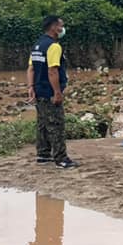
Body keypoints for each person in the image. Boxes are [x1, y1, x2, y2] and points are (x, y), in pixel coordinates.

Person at [27, 15, 79, 169]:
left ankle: (43, 154)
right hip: (49, 91)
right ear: (54, 27)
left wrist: (31, 87)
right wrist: (57, 92)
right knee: (56, 124)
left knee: (43, 123)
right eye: (61, 25)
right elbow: (52, 71)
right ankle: (61, 158)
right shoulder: (54, 46)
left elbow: (31, 68)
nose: (62, 29)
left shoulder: (37, 45)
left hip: (39, 90)